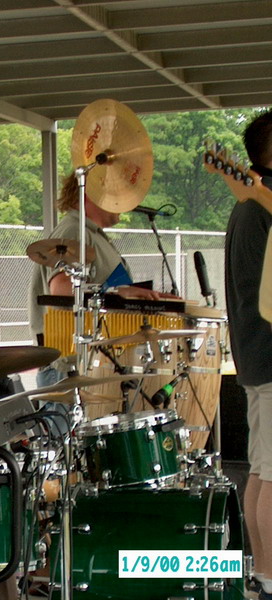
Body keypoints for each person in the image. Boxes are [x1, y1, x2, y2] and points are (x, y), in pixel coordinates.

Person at [28, 173, 177, 388]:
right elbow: (61, 289)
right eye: (115, 194)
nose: (121, 202)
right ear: (89, 194)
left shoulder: (91, 234)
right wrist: (118, 292)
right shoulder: (75, 231)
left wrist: (144, 298)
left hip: (90, 360)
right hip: (70, 364)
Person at [225, 110, 272, 600]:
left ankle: (263, 574)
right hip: (271, 355)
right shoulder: (260, 206)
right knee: (271, 474)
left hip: (258, 356)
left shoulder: (251, 206)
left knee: (261, 469)